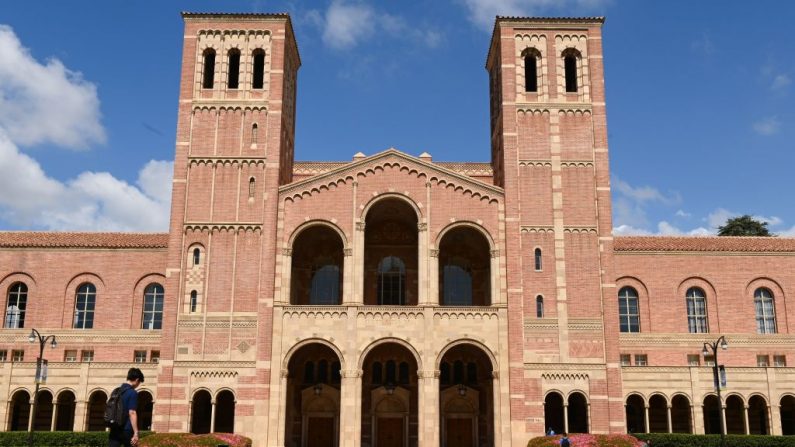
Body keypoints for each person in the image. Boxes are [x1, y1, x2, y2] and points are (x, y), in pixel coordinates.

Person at [109, 367, 144, 447]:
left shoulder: (116, 391)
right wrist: (136, 432)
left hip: (114, 427)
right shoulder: (132, 393)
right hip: (127, 429)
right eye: (139, 383)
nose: (138, 385)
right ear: (137, 380)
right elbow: (132, 412)